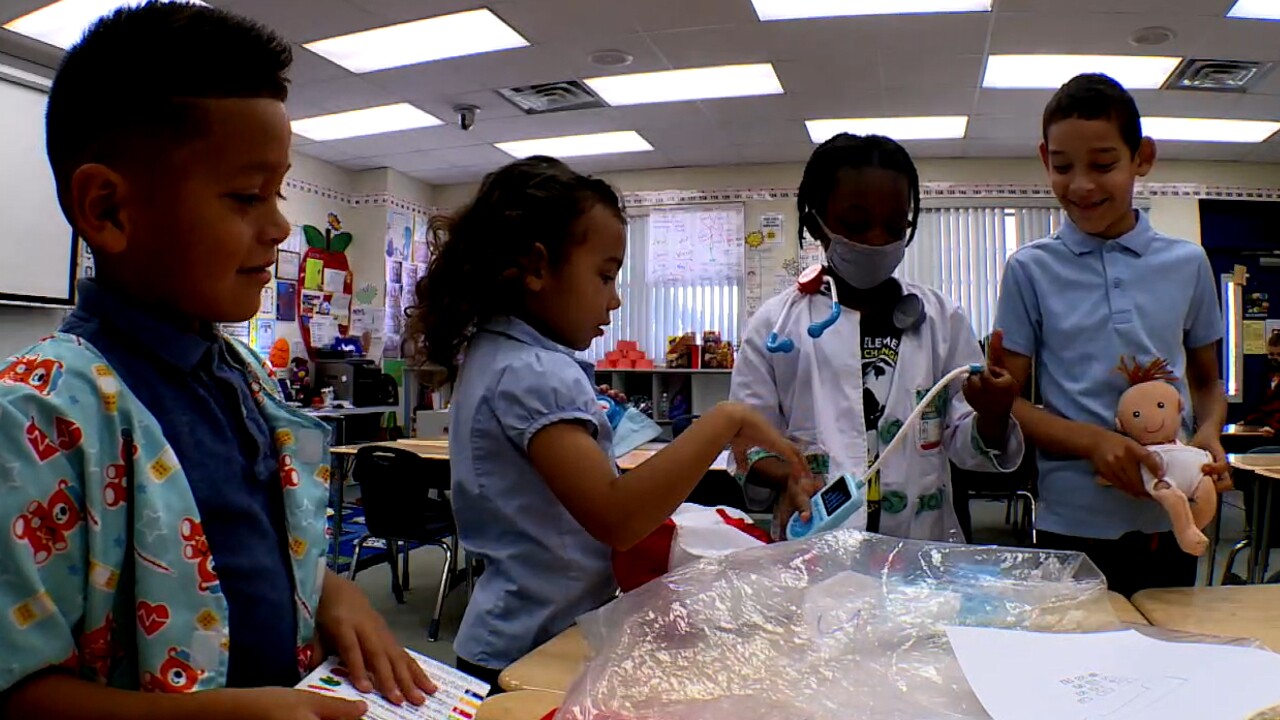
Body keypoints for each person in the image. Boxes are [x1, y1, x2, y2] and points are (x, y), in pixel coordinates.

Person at [0, 4, 432, 718]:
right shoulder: (37, 417)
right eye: (245, 196)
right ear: (107, 210)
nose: (279, 225)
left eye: (278, 191)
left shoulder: (243, 376)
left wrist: (332, 590)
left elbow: (256, 537)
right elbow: (17, 689)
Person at [408, 156, 807, 685]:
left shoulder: (497, 353)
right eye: (604, 276)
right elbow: (618, 519)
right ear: (536, 267)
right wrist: (725, 419)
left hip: (524, 629)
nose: (615, 300)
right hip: (528, 650)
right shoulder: (532, 371)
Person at [995, 73, 1230, 598]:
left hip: (1173, 514)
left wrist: (1209, 432)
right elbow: (1007, 400)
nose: (1081, 185)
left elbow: (1208, 383)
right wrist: (1094, 442)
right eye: (1062, 166)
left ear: (1141, 157)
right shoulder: (1029, 270)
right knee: (1076, 667)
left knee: (1172, 661)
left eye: (1103, 165)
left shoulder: (1187, 263)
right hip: (1071, 518)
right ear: (1044, 159)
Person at [730, 133, 1025, 542]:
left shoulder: (943, 320)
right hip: (817, 548)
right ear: (816, 222)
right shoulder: (775, 326)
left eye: (894, 225)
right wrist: (790, 476)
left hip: (920, 546)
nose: (876, 239)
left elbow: (966, 446)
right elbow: (748, 439)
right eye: (855, 223)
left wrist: (993, 415)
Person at [1241, 330, 1280, 433]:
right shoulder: (1264, 376)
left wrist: (1275, 427)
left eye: (1279, 355)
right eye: (1271, 354)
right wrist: (1248, 421)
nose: (1274, 359)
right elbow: (1262, 408)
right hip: (1265, 428)